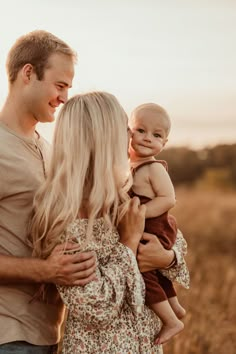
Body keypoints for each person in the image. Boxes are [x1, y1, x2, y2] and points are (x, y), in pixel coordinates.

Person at [30, 92, 190, 354]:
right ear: (103, 141)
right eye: (126, 130)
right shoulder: (63, 216)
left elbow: (174, 239)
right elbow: (97, 308)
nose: (132, 138)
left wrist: (167, 257)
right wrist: (128, 243)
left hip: (145, 345)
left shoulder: (123, 193)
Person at [0, 30, 98, 354]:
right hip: (9, 334)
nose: (65, 97)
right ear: (28, 73)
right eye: (60, 85)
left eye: (69, 87)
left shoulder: (51, 149)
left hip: (53, 333)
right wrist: (46, 270)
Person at [129, 102, 190, 345]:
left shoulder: (153, 168)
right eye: (141, 130)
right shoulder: (127, 164)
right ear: (128, 131)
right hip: (146, 223)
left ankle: (171, 320)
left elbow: (168, 199)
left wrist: (141, 212)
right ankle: (174, 305)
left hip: (155, 224)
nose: (147, 138)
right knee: (154, 270)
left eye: (156, 135)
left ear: (164, 143)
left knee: (143, 271)